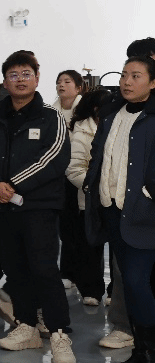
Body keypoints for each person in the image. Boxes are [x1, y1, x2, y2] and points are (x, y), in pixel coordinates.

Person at [0, 50, 73, 363]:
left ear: (37, 78)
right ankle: (27, 326)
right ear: (5, 81)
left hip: (38, 208)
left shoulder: (50, 117)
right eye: (13, 75)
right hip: (1, 209)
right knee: (15, 270)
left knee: (44, 269)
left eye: (26, 74)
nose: (20, 80)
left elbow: (54, 158)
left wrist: (11, 185)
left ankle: (59, 333)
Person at [83, 57, 155, 363]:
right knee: (128, 283)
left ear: (152, 83)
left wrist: (148, 194)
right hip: (112, 211)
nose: (127, 81)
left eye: (136, 76)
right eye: (125, 75)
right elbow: (100, 155)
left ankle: (152, 354)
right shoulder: (112, 115)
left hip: (144, 214)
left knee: (138, 283)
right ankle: (140, 352)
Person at [65, 89, 112, 310]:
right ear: (95, 108)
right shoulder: (81, 131)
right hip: (90, 198)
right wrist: (96, 189)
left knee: (118, 249)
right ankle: (91, 290)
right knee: (89, 247)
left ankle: (115, 292)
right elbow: (74, 169)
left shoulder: (117, 125)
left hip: (116, 198)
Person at [52, 69, 85, 292]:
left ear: (79, 87)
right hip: (57, 176)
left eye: (67, 81)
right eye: (59, 81)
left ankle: (82, 276)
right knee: (64, 228)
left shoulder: (85, 112)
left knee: (79, 229)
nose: (61, 85)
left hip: (79, 175)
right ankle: (66, 272)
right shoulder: (50, 112)